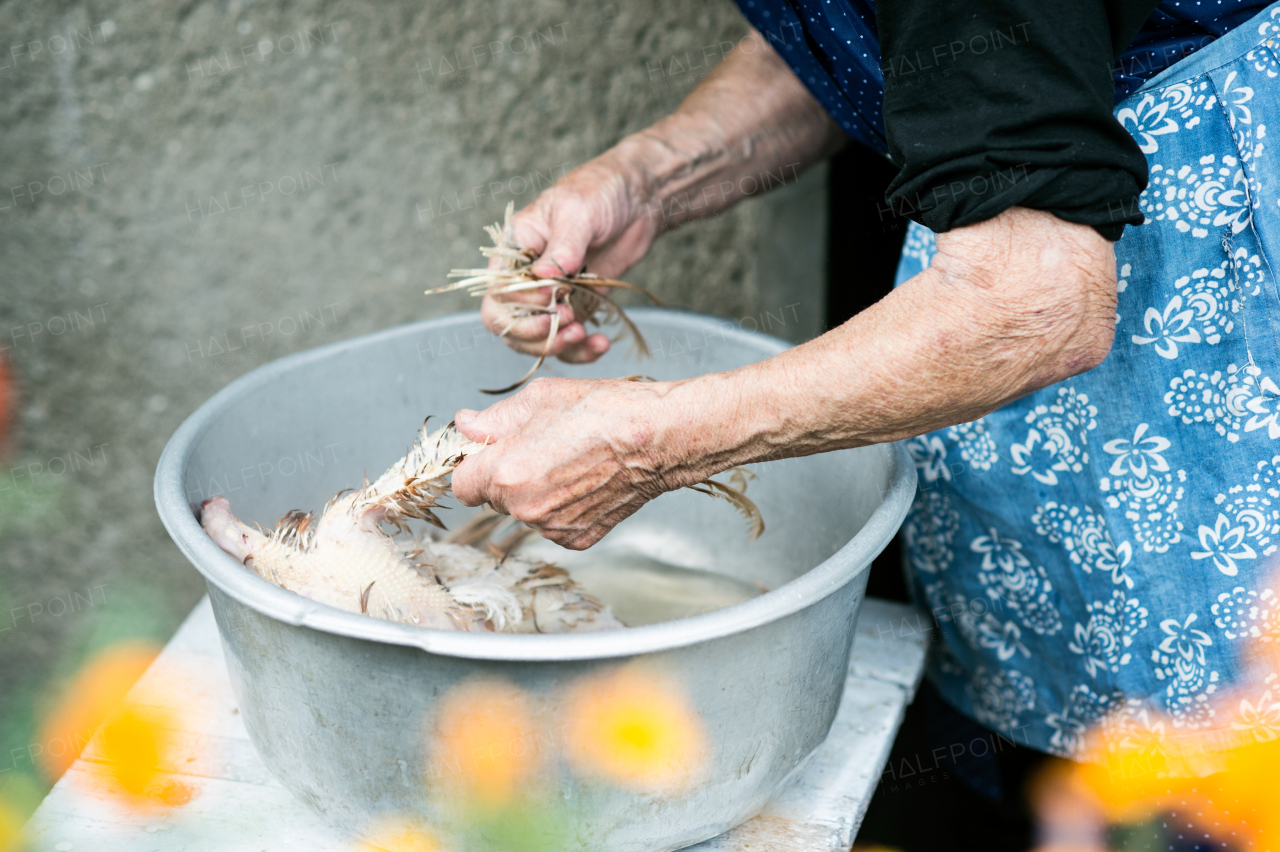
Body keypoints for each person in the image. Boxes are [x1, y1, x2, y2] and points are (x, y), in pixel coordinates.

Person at [450, 0, 1278, 846]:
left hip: (1203, 347)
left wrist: (646, 443)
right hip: (1033, 343)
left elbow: (1037, 299)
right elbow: (888, 40)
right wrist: (649, 178)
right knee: (1059, 754)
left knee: (1209, 777)